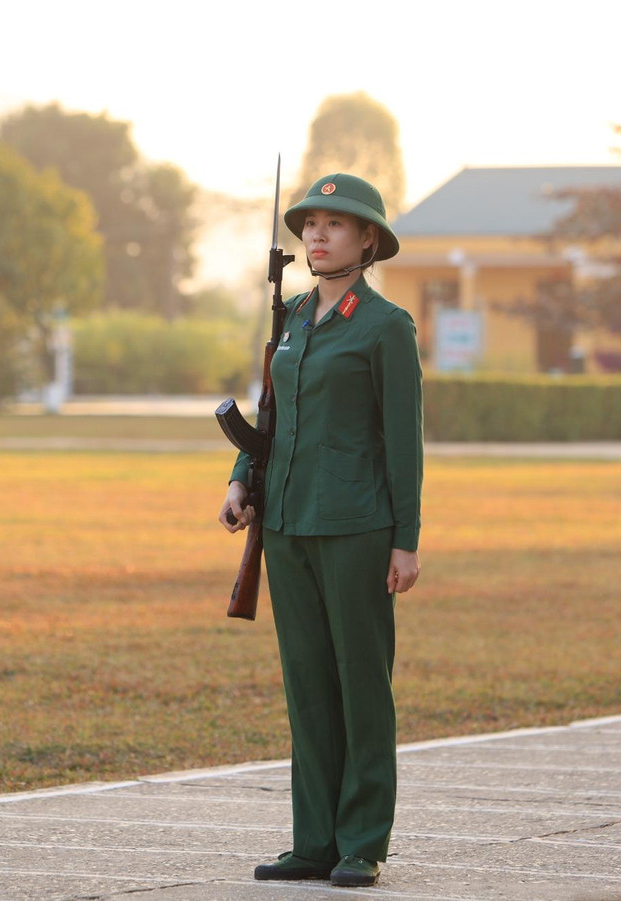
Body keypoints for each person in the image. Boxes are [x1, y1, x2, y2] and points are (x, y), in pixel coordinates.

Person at [219, 174, 422, 889]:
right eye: (310, 224)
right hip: (287, 522)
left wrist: (406, 539)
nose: (317, 234)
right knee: (307, 686)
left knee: (360, 685)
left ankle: (361, 841)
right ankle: (313, 841)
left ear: (368, 240)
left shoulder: (386, 326)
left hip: (357, 526)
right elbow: (270, 413)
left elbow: (405, 441)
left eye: (335, 224)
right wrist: (241, 478)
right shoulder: (295, 317)